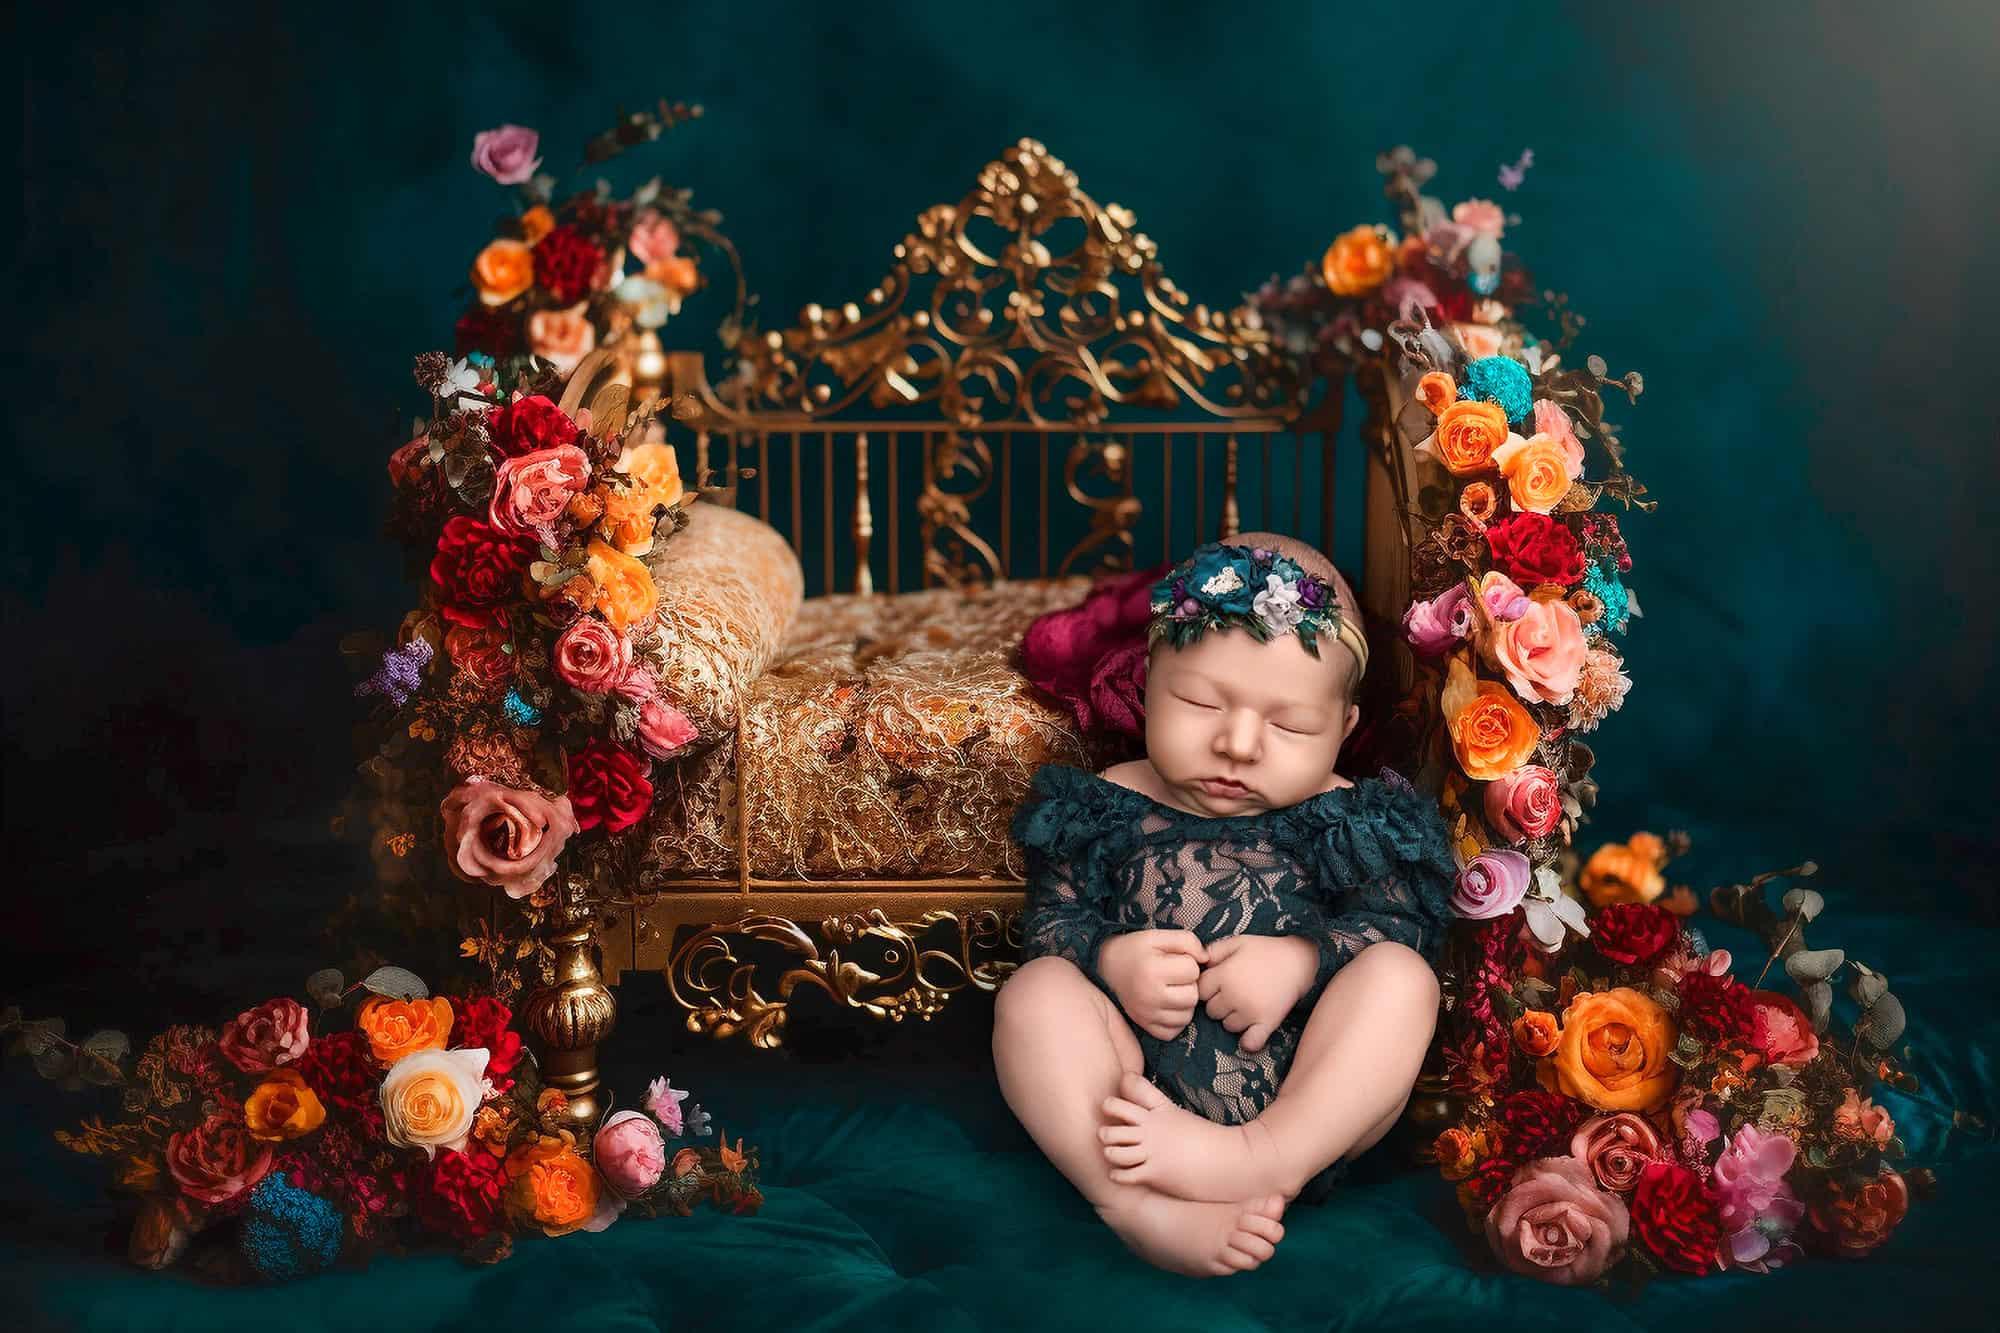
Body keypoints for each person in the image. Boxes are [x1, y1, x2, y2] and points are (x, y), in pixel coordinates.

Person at [992, 533, 1456, 1277]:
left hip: (1308, 1105)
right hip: (1135, 1107)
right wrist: (1110, 958)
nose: (1238, 744)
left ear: (1342, 729)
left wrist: (1306, 959)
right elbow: (1051, 922)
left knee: (1403, 978)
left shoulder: (1351, 817)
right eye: (1199, 701)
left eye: (1290, 726)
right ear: (1148, 684)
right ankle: (1134, 1206)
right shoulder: (1107, 803)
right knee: (1032, 997)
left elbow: (1400, 923)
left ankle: (1259, 1157)